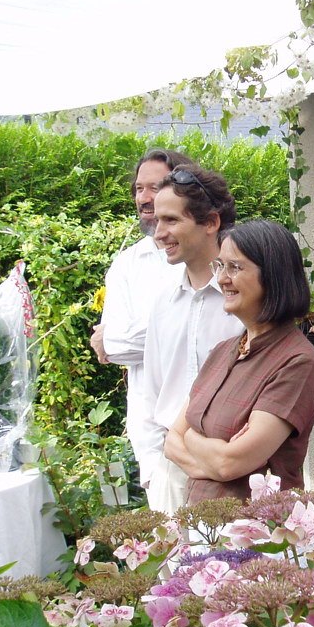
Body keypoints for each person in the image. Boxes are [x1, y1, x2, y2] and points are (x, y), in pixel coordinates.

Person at [164, 220, 314, 503]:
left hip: (256, 526)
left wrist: (191, 438)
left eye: (235, 267)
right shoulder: (222, 352)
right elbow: (171, 442)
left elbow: (230, 463)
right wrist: (209, 459)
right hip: (201, 523)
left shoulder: (297, 362)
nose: (222, 279)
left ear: (273, 275)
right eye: (220, 266)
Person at [133, 165, 244, 512]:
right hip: (170, 471)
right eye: (156, 222)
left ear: (210, 222)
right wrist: (153, 470)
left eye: (171, 220)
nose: (159, 234)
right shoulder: (162, 302)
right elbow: (149, 392)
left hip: (234, 472)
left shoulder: (246, 301)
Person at [90, 149, 191, 475]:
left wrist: (116, 336)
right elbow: (115, 349)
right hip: (152, 439)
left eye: (155, 187)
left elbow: (202, 327)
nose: (145, 198)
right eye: (138, 188)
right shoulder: (127, 265)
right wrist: (177, 323)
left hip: (204, 430)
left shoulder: (205, 256)